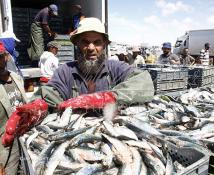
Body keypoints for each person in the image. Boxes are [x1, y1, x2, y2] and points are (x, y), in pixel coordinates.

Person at [2, 17, 154, 150]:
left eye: (97, 42)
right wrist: (39, 106)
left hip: (111, 138)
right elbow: (50, 94)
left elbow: (143, 81)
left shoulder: (116, 68)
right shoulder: (65, 71)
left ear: (105, 44)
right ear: (77, 44)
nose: (91, 48)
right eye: (85, 42)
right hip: (73, 141)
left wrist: (109, 97)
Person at [0, 42, 28, 175]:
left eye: (0, 57)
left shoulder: (16, 78)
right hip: (5, 145)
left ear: (6, 57)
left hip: (24, 137)